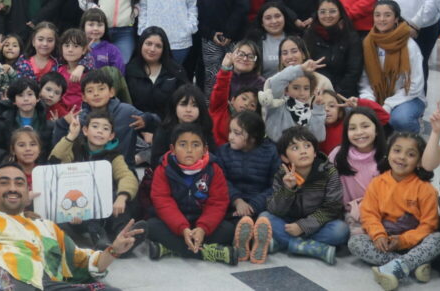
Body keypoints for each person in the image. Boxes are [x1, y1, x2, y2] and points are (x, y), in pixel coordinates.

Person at [0, 163, 146, 290]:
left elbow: (84, 262)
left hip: (43, 283)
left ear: (26, 191)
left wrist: (114, 249)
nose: (12, 188)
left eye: (19, 183)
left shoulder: (47, 228)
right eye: (4, 183)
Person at [350, 133, 440, 290]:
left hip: (415, 243)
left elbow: (429, 225)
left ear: (420, 161)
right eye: (397, 151)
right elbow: (369, 214)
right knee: (355, 242)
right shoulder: (377, 183)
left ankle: (397, 265)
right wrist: (378, 235)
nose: (402, 157)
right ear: (388, 153)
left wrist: (403, 241)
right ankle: (412, 265)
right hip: (386, 242)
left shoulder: (426, 189)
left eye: (410, 154)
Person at [144, 123, 239, 264]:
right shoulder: (163, 169)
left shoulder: (214, 169)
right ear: (173, 149)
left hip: (202, 222)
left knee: (229, 230)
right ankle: (207, 252)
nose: (189, 150)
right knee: (150, 227)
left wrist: (202, 228)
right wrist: (182, 228)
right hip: (175, 224)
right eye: (183, 144)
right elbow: (163, 202)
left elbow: (217, 203)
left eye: (196, 145)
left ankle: (171, 248)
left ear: (205, 149)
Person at [50, 110, 141, 250]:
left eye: (105, 129)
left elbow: (126, 176)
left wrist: (122, 197)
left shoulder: (114, 156)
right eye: (95, 126)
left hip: (103, 209)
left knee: (120, 199)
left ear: (111, 136)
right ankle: (92, 238)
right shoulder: (74, 149)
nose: (100, 131)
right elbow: (55, 160)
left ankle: (123, 238)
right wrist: (71, 136)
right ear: (85, 130)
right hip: (76, 205)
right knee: (62, 220)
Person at [262, 126, 348, 264]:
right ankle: (311, 247)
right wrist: (288, 189)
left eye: (307, 146)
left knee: (341, 230)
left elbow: (332, 208)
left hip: (318, 225)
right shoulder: (282, 175)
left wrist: (303, 226)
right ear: (284, 157)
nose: (303, 151)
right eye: (295, 148)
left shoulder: (329, 172)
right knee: (265, 218)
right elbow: (275, 210)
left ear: (314, 152)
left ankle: (286, 243)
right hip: (289, 223)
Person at [50, 69, 160, 166]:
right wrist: (63, 123)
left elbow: (158, 126)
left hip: (123, 172)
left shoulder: (127, 112)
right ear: (83, 97)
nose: (96, 94)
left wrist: (147, 120)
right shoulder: (80, 119)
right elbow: (58, 151)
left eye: (101, 89)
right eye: (90, 91)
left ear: (111, 92)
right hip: (91, 174)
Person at [211, 111, 278, 264]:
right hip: (233, 205)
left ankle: (252, 242)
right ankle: (246, 242)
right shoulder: (223, 152)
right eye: (230, 131)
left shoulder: (270, 152)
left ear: (253, 137)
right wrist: (237, 200)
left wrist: (254, 205)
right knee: (228, 223)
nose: (230, 137)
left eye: (237, 133)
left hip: (259, 204)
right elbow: (221, 181)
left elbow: (275, 185)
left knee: (264, 219)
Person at [359, 1, 425, 133]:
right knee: (359, 115)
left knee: (401, 119)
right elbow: (364, 80)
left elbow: (415, 86)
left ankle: (415, 137)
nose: (381, 19)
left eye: (387, 15)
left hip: (409, 98)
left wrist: (388, 105)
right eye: (377, 15)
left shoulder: (409, 45)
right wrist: (370, 101)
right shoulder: (368, 43)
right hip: (377, 97)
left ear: (396, 19)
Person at [328, 107, 387, 225]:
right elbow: (327, 188)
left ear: (376, 130)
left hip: (381, 214)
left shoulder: (388, 156)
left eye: (365, 126)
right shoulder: (337, 154)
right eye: (352, 128)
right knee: (339, 232)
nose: (359, 132)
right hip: (347, 215)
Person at [304, 0, 364, 97]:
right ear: (317, 14)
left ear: (340, 13)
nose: (327, 16)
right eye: (322, 12)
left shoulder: (351, 36)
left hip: (343, 93)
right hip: (315, 90)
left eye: (332, 11)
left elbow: (354, 71)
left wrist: (335, 93)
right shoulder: (309, 35)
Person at [0, 79, 52, 166]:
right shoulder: (4, 122)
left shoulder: (47, 125)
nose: (26, 99)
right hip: (12, 168)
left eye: (30, 94)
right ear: (14, 101)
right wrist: (7, 158)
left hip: (39, 170)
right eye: (20, 95)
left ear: (38, 98)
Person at [125, 27, 188, 119]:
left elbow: (185, 100)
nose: (152, 49)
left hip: (168, 125)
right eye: (148, 44)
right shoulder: (129, 70)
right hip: (136, 124)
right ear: (141, 44)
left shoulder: (176, 71)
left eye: (158, 46)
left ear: (164, 49)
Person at [259, 59, 328, 142]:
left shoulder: (310, 111)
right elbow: (276, 82)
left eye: (306, 88)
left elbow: (319, 137)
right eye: (296, 88)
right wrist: (300, 68)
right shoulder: (277, 104)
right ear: (286, 90)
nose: (302, 93)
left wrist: (318, 109)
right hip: (274, 151)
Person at [246, 2, 296, 78]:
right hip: (263, 87)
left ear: (284, 18)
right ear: (262, 23)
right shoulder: (254, 42)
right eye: (268, 18)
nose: (274, 21)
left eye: (277, 16)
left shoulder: (297, 39)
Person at [82, 8, 126, 73]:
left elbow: (119, 73)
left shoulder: (112, 50)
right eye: (91, 25)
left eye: (100, 25)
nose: (95, 28)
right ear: (83, 26)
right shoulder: (76, 46)